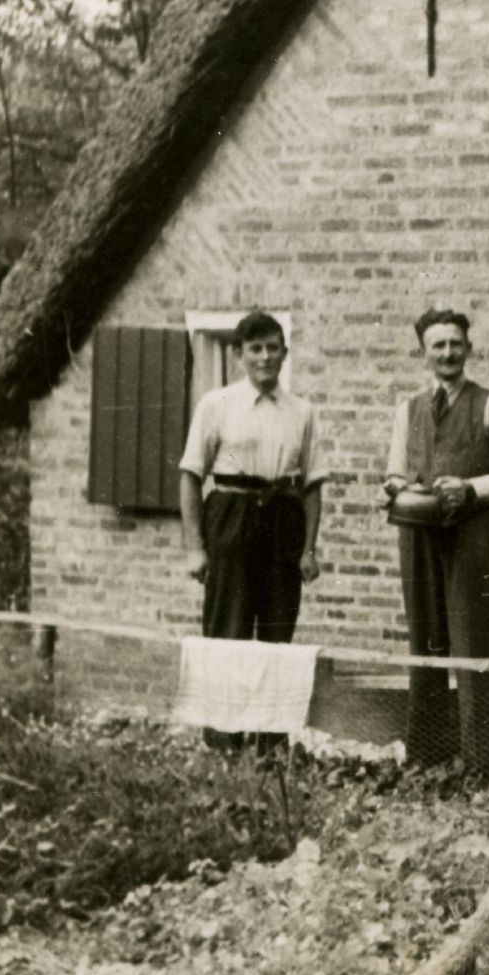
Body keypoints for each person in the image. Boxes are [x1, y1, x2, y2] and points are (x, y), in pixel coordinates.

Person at [380, 309, 489, 780]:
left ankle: (483, 768)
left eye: (455, 343)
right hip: (420, 537)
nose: (447, 353)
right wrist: (397, 489)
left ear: (468, 348)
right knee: (424, 643)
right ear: (423, 353)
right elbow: (393, 474)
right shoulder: (407, 410)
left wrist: (470, 488)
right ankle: (428, 759)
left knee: (477, 648)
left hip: (475, 538)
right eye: (437, 345)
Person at [177, 310, 329, 751]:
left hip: (283, 518)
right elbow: (190, 476)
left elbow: (314, 483)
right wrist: (194, 548)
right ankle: (225, 743)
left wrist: (308, 548)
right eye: (255, 349)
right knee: (228, 631)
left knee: (278, 635)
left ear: (284, 353)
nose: (265, 357)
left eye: (272, 348)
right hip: (230, 516)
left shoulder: (303, 412)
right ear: (239, 355)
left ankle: (270, 745)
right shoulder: (216, 404)